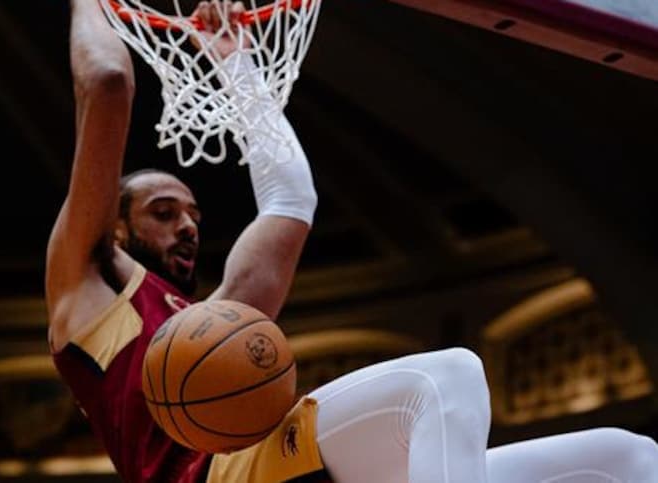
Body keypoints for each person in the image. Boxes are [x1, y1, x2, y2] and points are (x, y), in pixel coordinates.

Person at [46, 0, 658, 481]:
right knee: (443, 379)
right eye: (163, 211)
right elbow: (107, 82)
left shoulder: (212, 322)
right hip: (222, 476)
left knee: (624, 458)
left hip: (289, 469)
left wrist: (236, 66)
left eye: (193, 213)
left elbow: (290, 201)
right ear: (114, 226)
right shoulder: (86, 288)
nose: (187, 225)